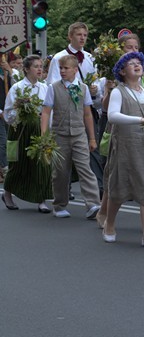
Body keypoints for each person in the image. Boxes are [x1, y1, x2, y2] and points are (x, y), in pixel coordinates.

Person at [101, 52, 144, 248]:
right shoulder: (118, 92)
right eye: (131, 64)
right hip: (124, 146)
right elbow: (112, 116)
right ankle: (109, 225)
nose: (137, 65)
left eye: (139, 62)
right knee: (118, 189)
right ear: (122, 71)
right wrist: (140, 121)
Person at [46, 22, 104, 197]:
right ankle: (64, 190)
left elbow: (95, 81)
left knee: (90, 151)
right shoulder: (59, 58)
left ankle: (97, 190)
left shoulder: (89, 57)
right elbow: (53, 85)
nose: (82, 38)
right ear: (70, 36)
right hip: (65, 112)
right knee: (64, 157)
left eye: (85, 35)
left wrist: (94, 90)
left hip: (85, 109)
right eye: (78, 34)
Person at [40, 54, 101, 219]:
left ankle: (93, 204)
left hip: (79, 134)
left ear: (75, 70)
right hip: (59, 135)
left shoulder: (83, 88)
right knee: (60, 172)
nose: (62, 71)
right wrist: (44, 136)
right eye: (61, 68)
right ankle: (59, 204)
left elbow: (87, 114)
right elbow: (46, 112)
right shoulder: (54, 87)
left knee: (85, 169)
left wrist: (92, 138)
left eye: (66, 68)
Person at [1, 55, 51, 212]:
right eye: (36, 66)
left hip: (39, 129)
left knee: (42, 164)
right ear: (27, 69)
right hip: (20, 131)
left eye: (41, 66)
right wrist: (22, 110)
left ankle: (41, 200)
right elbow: (8, 114)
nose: (39, 69)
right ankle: (7, 194)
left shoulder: (45, 88)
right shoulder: (17, 88)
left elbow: (49, 111)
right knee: (18, 165)